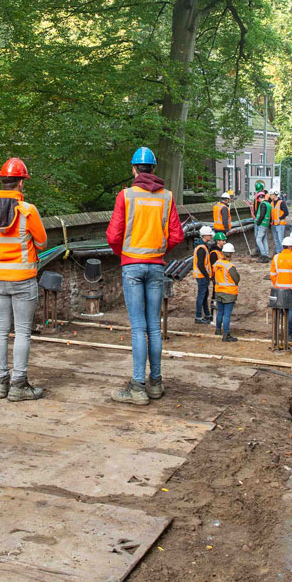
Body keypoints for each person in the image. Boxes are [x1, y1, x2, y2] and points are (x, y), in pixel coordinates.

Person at [107, 146, 185, 405]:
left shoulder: (126, 196)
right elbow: (176, 235)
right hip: (156, 266)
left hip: (131, 266)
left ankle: (138, 385)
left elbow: (113, 235)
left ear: (133, 170)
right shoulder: (167, 197)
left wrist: (124, 254)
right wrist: (159, 250)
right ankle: (156, 383)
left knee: (138, 328)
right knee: (154, 326)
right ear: (154, 169)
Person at [0, 158, 48, 402]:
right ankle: (19, 385)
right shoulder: (27, 211)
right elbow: (42, 242)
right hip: (23, 278)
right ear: (20, 183)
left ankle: (1, 383)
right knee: (21, 332)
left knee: (0, 330)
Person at [269, 234, 292, 351]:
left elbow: (272, 274)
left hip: (278, 289)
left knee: (277, 311)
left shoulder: (276, 257)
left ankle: (276, 333)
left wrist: (277, 283)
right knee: (291, 310)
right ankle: (289, 333)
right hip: (290, 289)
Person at [212, 243, 239, 341]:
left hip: (218, 291)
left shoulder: (217, 264)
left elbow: (213, 275)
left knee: (220, 312)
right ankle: (226, 334)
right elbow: (236, 279)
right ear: (231, 254)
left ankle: (218, 330)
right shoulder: (230, 266)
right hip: (229, 292)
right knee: (227, 314)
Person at [192, 226, 217, 324]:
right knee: (201, 296)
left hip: (203, 276)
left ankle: (206, 314)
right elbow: (200, 264)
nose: (211, 236)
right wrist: (207, 276)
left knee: (204, 295)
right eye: (210, 235)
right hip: (202, 276)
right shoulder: (201, 248)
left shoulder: (202, 246)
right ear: (205, 235)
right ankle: (198, 316)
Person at [253, 189, 272, 260]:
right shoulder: (268, 204)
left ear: (260, 198)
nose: (258, 201)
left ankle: (264, 255)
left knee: (258, 239)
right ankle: (266, 254)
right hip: (266, 224)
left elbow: (262, 215)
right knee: (264, 240)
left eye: (258, 199)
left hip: (262, 224)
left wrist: (258, 222)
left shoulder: (263, 204)